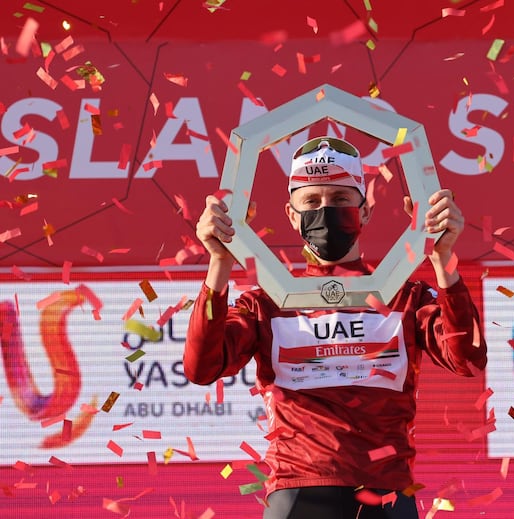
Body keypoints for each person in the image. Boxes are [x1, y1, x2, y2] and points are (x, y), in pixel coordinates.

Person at [184, 136, 487, 519]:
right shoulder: (265, 303)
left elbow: (469, 361)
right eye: (311, 202)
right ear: (291, 215)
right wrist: (219, 265)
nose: (325, 211)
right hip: (297, 493)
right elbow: (201, 368)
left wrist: (444, 259)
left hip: (387, 494)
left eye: (340, 200)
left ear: (365, 210)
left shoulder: (405, 297)